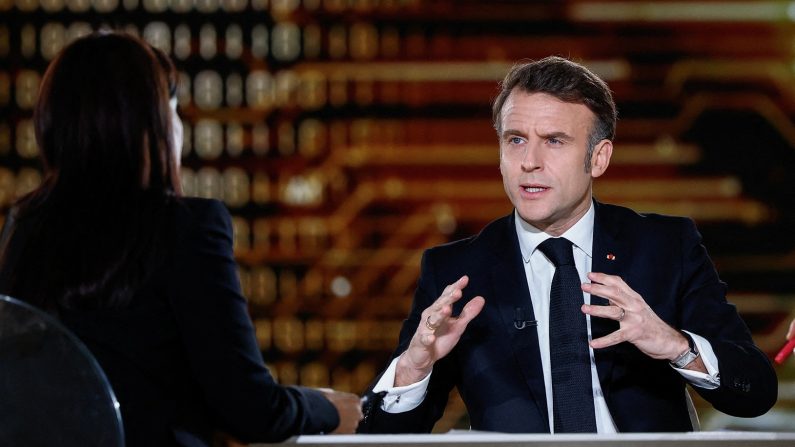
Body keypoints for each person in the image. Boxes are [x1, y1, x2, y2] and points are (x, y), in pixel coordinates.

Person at [357, 56, 777, 434]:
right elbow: (381, 438)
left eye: (555, 140)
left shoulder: (664, 246)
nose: (529, 162)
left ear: (599, 158)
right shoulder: (458, 270)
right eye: (516, 139)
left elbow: (755, 391)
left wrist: (676, 347)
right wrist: (414, 368)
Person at [0, 31, 362, 446]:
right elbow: (249, 409)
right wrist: (326, 408)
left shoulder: (25, 226)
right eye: (173, 111)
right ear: (151, 125)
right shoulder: (188, 226)